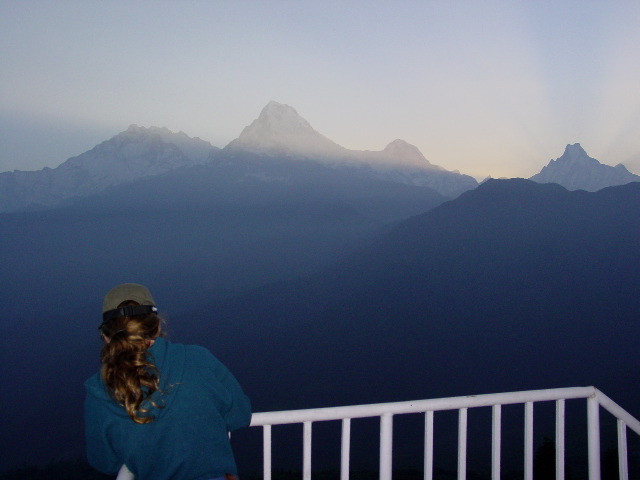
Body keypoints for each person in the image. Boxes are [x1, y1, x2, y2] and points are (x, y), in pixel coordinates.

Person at [84, 283, 251, 480]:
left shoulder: (100, 390)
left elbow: (105, 461)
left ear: (105, 337)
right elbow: (240, 414)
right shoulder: (198, 359)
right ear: (157, 325)